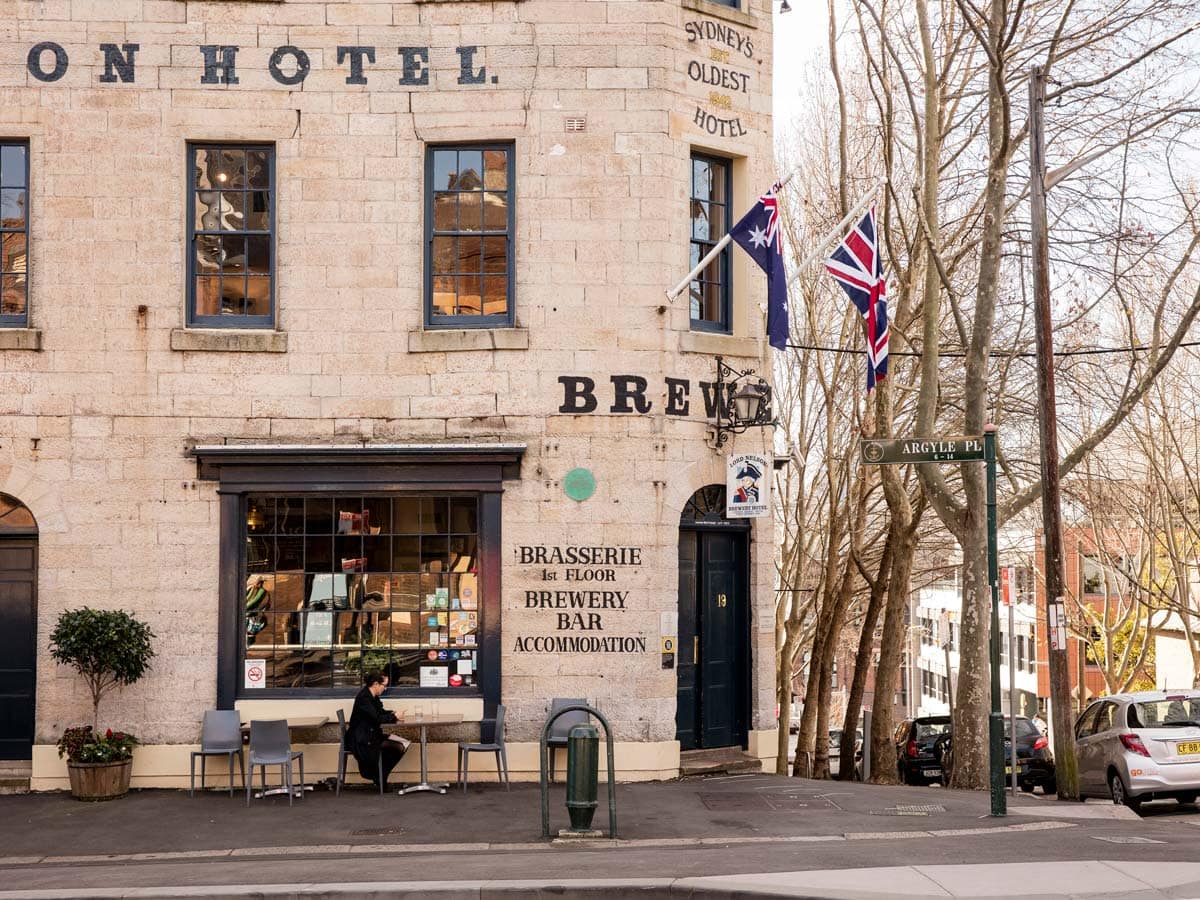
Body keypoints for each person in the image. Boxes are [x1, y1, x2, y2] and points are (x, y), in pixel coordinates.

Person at [346, 671, 411, 789]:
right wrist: (395, 716)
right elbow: (377, 719)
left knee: (405, 743)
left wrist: (393, 713)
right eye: (384, 685)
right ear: (376, 684)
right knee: (399, 746)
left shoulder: (372, 696)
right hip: (362, 739)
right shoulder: (364, 698)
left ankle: (380, 776)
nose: (385, 689)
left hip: (371, 735)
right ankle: (380, 777)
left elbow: (380, 712)